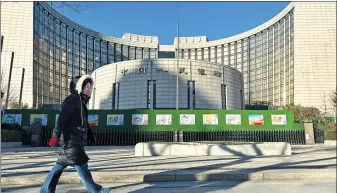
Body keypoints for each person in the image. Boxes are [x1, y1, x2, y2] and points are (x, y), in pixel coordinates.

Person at [40, 75, 111, 193]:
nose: (88, 89)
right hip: (71, 141)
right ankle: (95, 190)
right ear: (79, 87)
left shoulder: (81, 103)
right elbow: (62, 118)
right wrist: (55, 135)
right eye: (86, 86)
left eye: (90, 87)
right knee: (81, 164)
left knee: (58, 166)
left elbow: (84, 123)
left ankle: (45, 190)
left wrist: (90, 135)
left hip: (73, 141)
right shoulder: (72, 99)